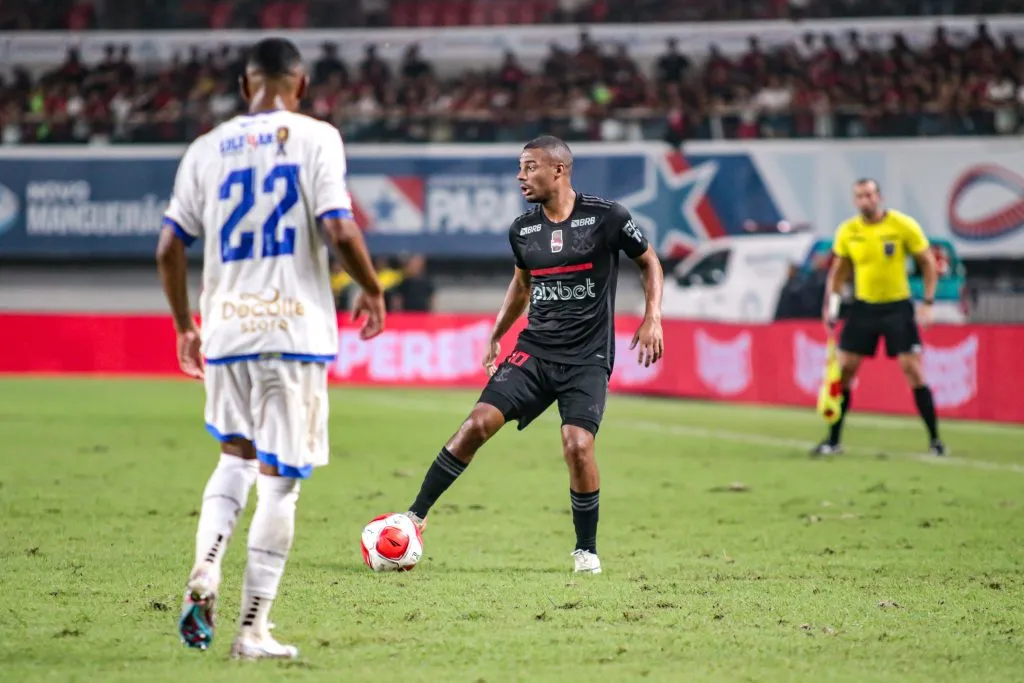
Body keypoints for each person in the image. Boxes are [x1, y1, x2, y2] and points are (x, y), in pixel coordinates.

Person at [156, 37, 385, 660]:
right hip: (293, 330)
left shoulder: (204, 149)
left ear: (244, 85)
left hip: (227, 328)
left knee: (233, 458)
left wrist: (185, 323)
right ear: (301, 85)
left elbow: (169, 247)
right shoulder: (317, 138)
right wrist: (371, 289)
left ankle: (206, 566)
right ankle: (252, 628)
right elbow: (339, 227)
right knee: (280, 484)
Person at [402, 136, 665, 574]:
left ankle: (586, 550)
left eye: (529, 167)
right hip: (535, 351)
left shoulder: (608, 217)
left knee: (577, 446)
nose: (520, 177)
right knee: (476, 424)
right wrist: (496, 334)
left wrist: (652, 316)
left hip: (586, 358)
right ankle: (414, 517)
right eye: (519, 168)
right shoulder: (522, 229)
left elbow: (649, 262)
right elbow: (522, 285)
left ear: (558, 170)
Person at [814, 178, 945, 457]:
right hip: (864, 307)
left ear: (879, 197)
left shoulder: (902, 225)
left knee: (913, 370)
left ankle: (935, 441)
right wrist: (831, 307)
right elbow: (839, 273)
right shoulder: (848, 232)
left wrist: (928, 303)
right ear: (855, 201)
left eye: (870, 195)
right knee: (845, 370)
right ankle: (833, 440)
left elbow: (927, 263)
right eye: (860, 196)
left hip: (898, 307)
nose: (866, 201)